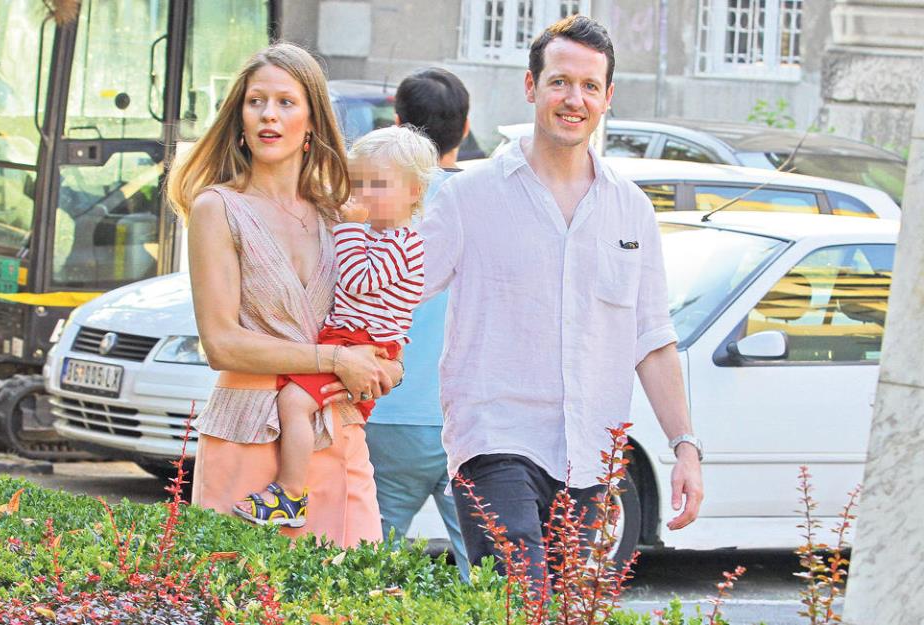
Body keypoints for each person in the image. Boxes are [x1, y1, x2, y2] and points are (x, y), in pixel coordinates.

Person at [420, 15, 704, 578]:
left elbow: (651, 339)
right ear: (532, 87)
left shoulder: (631, 209)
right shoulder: (469, 197)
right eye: (560, 82)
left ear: (607, 98)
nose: (575, 99)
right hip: (494, 439)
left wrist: (685, 447)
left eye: (589, 86)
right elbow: (399, 288)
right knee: (520, 598)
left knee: (567, 606)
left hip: (591, 453)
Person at [167, 42, 403, 547]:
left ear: (312, 120)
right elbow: (221, 345)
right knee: (241, 588)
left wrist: (388, 367)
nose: (268, 115)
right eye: (256, 102)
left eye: (285, 102)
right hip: (247, 430)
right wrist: (336, 359)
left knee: (352, 586)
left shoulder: (340, 214)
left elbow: (383, 310)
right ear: (240, 118)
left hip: (336, 429)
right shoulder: (218, 208)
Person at [231, 125, 437, 527]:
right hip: (347, 339)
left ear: (414, 191)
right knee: (296, 402)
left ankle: (290, 494)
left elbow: (358, 279)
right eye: (359, 184)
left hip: (361, 342)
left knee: (294, 402)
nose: (365, 194)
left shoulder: (404, 243)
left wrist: (349, 227)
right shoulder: (377, 237)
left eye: (379, 185)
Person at [365, 68, 472, 579]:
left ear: (397, 124)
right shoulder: (480, 201)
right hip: (465, 418)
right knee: (485, 571)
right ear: (466, 127)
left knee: (364, 563)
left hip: (386, 408)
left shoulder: (376, 201)